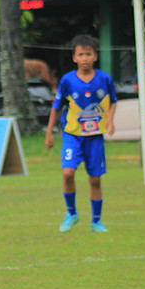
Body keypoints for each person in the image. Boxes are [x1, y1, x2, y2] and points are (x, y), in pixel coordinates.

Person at [45, 34, 118, 233]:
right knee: (68, 173)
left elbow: (113, 101)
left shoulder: (104, 79)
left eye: (89, 54)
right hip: (72, 134)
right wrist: (49, 133)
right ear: (74, 58)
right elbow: (57, 106)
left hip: (95, 136)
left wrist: (110, 118)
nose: (85, 58)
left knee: (95, 179)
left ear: (95, 56)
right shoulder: (68, 80)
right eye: (81, 54)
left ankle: (96, 222)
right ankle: (72, 213)